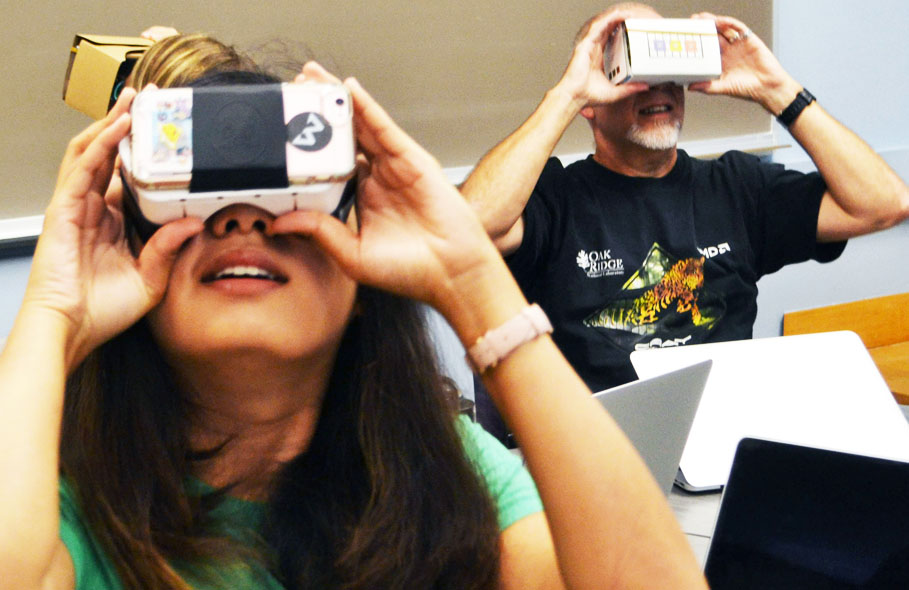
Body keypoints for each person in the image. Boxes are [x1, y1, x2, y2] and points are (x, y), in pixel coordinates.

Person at [0, 34, 708, 589]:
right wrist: (54, 313)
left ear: (362, 277)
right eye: (205, 195)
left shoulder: (443, 469)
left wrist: (469, 279)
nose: (244, 220)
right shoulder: (57, 490)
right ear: (132, 238)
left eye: (292, 196)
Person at [460, 3, 909, 396]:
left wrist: (777, 90)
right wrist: (566, 94)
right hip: (602, 450)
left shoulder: (736, 186)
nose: (659, 88)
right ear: (591, 100)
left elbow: (883, 204)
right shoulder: (555, 199)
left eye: (668, 73)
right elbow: (467, 228)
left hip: (724, 438)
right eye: (636, 73)